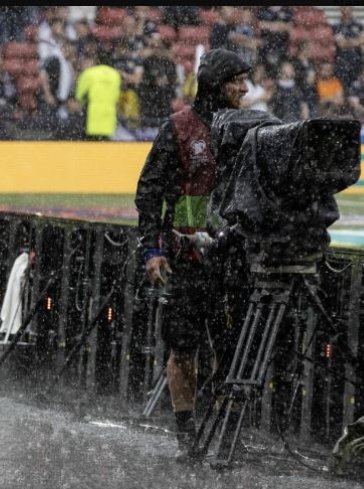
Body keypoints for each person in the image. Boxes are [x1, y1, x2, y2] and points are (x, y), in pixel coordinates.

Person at [134, 48, 250, 462]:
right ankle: (187, 435)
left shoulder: (250, 129)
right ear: (218, 83)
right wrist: (152, 249)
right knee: (183, 348)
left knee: (234, 351)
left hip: (235, 261)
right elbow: (148, 193)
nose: (246, 87)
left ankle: (227, 437)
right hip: (187, 260)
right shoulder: (179, 128)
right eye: (238, 80)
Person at [75, 48, 121, 140]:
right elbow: (116, 97)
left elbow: (79, 95)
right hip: (109, 116)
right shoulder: (116, 75)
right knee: (105, 148)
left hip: (91, 117)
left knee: (91, 149)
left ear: (97, 60)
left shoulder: (89, 73)